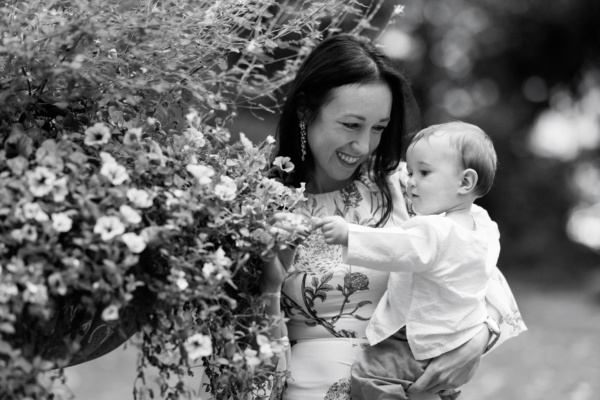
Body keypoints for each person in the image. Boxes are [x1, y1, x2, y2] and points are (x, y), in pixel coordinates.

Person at [260, 33, 526, 400]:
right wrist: (269, 289)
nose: (364, 145)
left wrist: (475, 342)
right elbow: (245, 353)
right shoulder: (262, 205)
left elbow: (481, 272)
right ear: (306, 111)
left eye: (379, 128)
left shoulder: (408, 187)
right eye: (351, 125)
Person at [313, 121, 505, 400]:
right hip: (454, 337)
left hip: (413, 338)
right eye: (411, 171)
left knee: (371, 376)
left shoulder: (434, 230)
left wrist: (349, 234)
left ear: (465, 182)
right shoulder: (484, 225)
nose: (411, 180)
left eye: (424, 173)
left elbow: (396, 246)